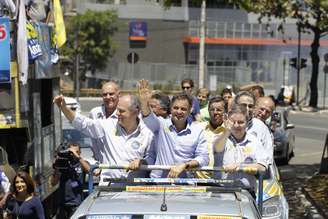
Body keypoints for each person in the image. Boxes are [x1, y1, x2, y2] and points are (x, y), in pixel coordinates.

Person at [53, 94, 155, 183]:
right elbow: (83, 123)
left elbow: (152, 157)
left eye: (122, 111)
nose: (117, 114)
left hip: (135, 193)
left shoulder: (147, 132)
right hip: (108, 191)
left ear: (136, 112)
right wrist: (64, 108)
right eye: (117, 110)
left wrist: (142, 162)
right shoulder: (108, 125)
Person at [138, 80, 208, 178]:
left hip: (185, 186)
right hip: (159, 184)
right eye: (176, 108)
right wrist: (144, 103)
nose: (179, 112)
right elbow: (148, 117)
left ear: (190, 110)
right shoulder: (161, 125)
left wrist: (185, 165)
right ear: (171, 108)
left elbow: (204, 158)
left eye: (183, 109)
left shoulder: (197, 131)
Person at [215, 104, 267, 195]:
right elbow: (217, 149)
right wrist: (227, 131)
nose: (236, 125)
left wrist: (239, 166)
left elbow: (262, 167)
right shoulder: (221, 138)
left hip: (247, 193)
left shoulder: (254, 141)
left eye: (240, 122)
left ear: (247, 122)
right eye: (232, 122)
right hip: (222, 192)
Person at [51, 143, 90, 219]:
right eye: (71, 153)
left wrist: (78, 157)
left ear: (79, 153)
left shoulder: (81, 163)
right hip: (62, 204)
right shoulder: (63, 163)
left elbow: (91, 171)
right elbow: (53, 183)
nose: (73, 155)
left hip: (76, 204)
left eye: (76, 152)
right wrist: (57, 168)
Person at [234, 91, 273, 164]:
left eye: (250, 106)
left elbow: (268, 159)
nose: (247, 109)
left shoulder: (261, 127)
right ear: (235, 106)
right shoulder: (226, 124)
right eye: (243, 105)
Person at [89, 81, 120, 161]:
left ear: (118, 94)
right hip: (99, 164)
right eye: (105, 94)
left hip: (118, 165)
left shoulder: (124, 114)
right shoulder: (94, 113)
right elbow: (92, 139)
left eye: (111, 94)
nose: (108, 97)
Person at [197, 96, 227, 179]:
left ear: (225, 112)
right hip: (200, 181)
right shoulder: (199, 128)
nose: (215, 112)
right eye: (212, 109)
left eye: (219, 110)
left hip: (222, 181)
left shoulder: (230, 131)